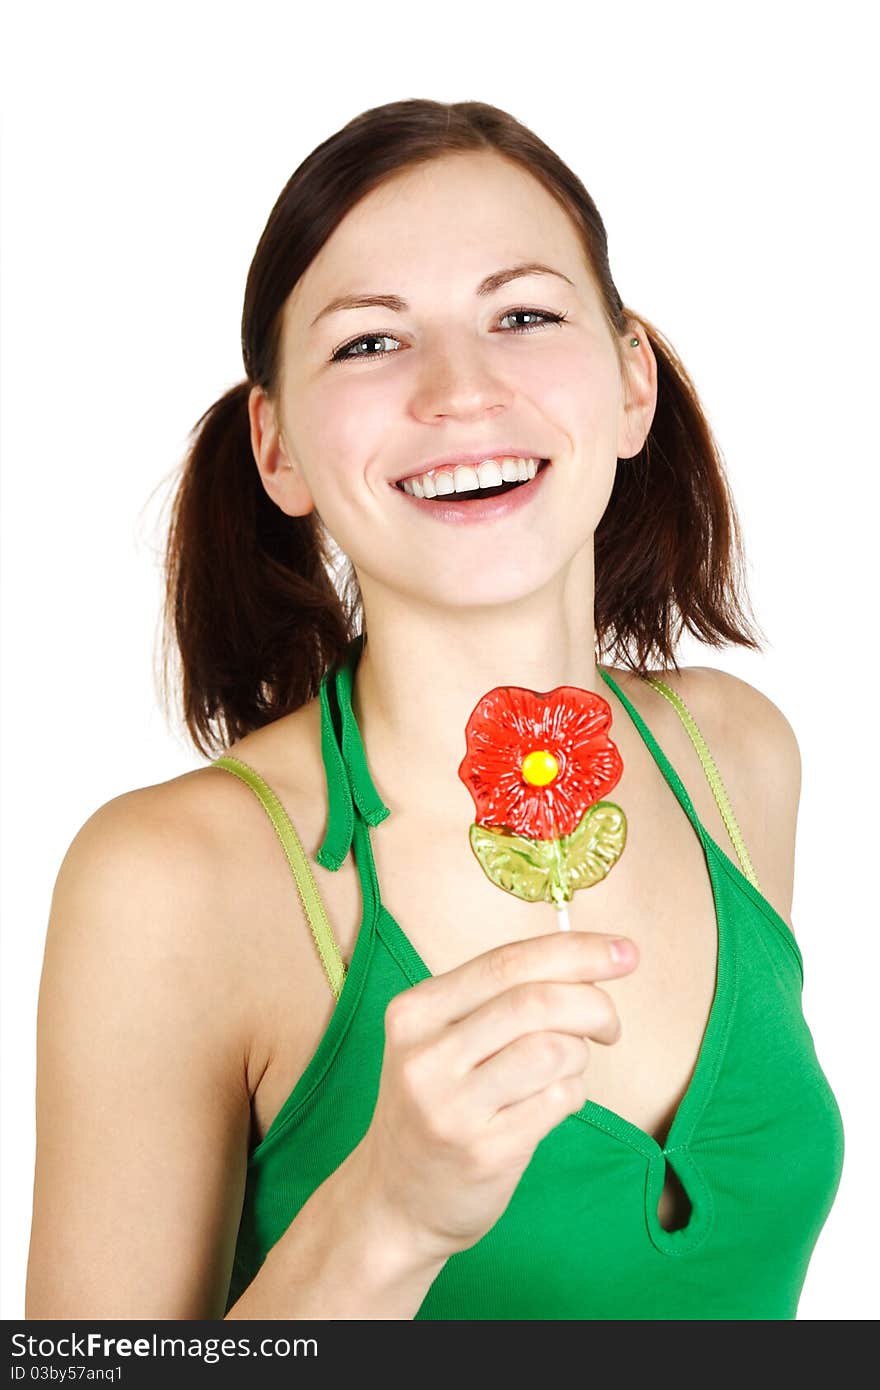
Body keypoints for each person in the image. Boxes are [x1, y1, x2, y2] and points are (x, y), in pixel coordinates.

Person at [25, 98, 844, 1321]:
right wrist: (384, 1215)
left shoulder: (739, 758)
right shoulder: (169, 880)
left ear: (631, 385)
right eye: (368, 344)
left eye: (523, 315)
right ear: (277, 448)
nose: (461, 390)